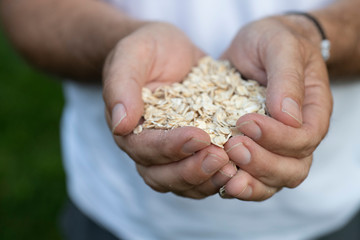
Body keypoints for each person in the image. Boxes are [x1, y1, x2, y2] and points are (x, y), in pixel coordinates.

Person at [1, 0, 360, 239]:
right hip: (119, 208)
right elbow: (32, 11)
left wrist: (312, 35)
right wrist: (121, 43)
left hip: (327, 208)